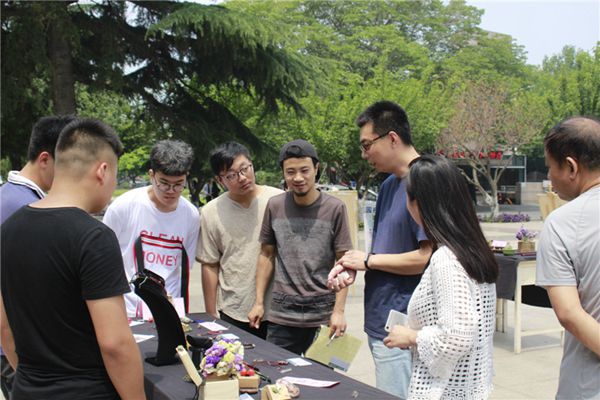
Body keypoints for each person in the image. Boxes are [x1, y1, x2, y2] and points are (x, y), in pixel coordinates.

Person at [0, 118, 145, 399]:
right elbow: (115, 344)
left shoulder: (8, 230)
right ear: (102, 171)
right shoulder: (94, 237)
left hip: (27, 390)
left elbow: (4, 328)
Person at [329, 100, 432, 398]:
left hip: (405, 324)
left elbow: (426, 258)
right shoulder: (388, 185)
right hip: (380, 319)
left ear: (392, 138)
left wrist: (368, 261)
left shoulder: (425, 181)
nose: (364, 154)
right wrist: (354, 265)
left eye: (367, 145)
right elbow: (386, 249)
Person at [382, 155, 498, 399]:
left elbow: (456, 336)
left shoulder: (446, 259)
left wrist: (411, 336)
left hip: (445, 391)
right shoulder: (473, 249)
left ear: (420, 203)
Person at [247, 139, 353, 355]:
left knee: (323, 376)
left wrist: (339, 312)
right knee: (276, 371)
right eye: (290, 172)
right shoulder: (275, 206)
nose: (297, 178)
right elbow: (266, 254)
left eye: (304, 170)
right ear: (283, 173)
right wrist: (258, 302)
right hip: (282, 315)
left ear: (316, 169)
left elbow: (344, 262)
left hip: (324, 316)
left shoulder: (335, 208)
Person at [0, 114, 75, 398]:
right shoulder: (25, 207)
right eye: (67, 165)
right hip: (17, 348)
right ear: (45, 159)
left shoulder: (10, 196)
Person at [535, 116, 600, 399]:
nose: (549, 177)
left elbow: (570, 313)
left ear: (571, 167)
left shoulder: (561, 223)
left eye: (550, 166)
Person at [103, 139, 200, 317]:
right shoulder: (123, 207)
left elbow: (183, 266)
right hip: (129, 310)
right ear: (151, 175)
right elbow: (103, 262)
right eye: (164, 183)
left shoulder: (191, 215)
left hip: (170, 310)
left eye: (179, 184)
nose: (171, 190)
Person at [197, 142, 283, 339]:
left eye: (245, 169)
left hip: (279, 309)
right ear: (219, 180)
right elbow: (210, 264)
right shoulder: (211, 212)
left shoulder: (278, 200)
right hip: (234, 308)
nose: (242, 178)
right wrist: (211, 313)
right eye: (232, 175)